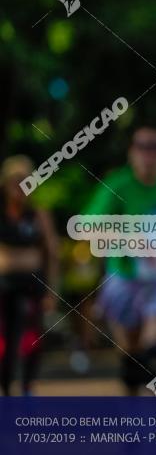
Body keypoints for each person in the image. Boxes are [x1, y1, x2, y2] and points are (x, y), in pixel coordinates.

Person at [84, 126, 156, 396]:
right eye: (143, 147)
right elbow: (87, 228)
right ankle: (133, 413)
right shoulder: (117, 185)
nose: (150, 154)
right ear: (132, 152)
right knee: (131, 359)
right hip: (126, 278)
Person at [0, 156, 59, 396]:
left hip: (32, 286)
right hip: (4, 286)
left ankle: (27, 388)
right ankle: (5, 388)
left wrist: (52, 291)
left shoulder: (38, 215)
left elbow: (52, 255)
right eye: (15, 181)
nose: (20, 186)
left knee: (31, 339)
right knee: (3, 341)